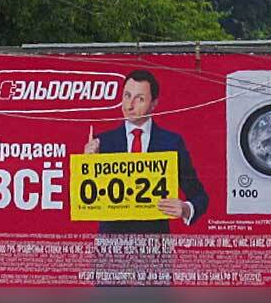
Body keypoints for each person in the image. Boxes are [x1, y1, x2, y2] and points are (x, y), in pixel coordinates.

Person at [84, 69, 210, 233]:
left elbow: (199, 196)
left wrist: (186, 209)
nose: (129, 105)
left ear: (154, 104)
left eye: (140, 99)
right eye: (127, 96)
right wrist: (88, 165)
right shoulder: (103, 143)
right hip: (112, 242)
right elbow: (89, 200)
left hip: (155, 240)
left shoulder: (171, 142)